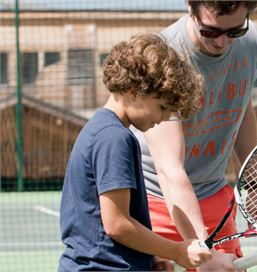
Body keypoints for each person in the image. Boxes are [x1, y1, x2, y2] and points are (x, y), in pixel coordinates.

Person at [58, 33, 212, 271]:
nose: (162, 119)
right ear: (133, 90)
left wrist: (150, 256)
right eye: (161, 107)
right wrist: (175, 251)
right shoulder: (114, 138)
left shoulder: (103, 130)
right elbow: (117, 224)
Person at [133, 1, 257, 271]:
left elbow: (241, 105)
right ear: (189, 7)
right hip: (155, 202)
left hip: (214, 196)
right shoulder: (164, 55)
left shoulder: (252, 40)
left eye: (234, 32)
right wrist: (203, 250)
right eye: (210, 31)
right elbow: (169, 169)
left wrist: (256, 186)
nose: (222, 42)